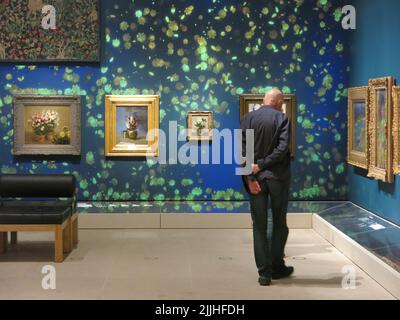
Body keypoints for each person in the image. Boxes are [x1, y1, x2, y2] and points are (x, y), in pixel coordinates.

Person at [240, 88, 293, 286]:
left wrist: (249, 177)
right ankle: (277, 266)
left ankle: (264, 274)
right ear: (278, 102)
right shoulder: (282, 118)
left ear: (264, 100)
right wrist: (263, 164)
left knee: (259, 226)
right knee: (279, 223)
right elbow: (282, 149)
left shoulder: (248, 119)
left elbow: (242, 150)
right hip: (278, 178)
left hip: (256, 179)